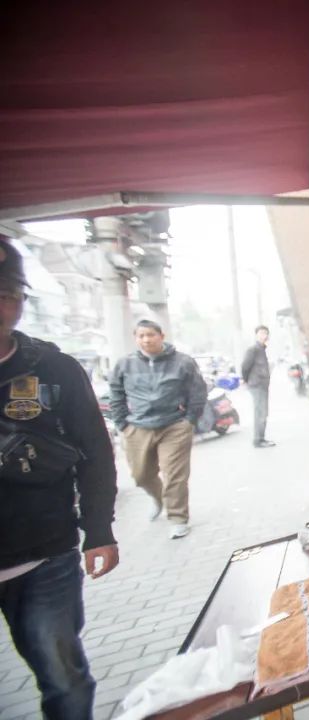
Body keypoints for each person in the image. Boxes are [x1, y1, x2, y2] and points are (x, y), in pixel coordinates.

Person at [0, 237, 119, 719]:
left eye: (6, 291)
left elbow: (95, 453)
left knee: (63, 677)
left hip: (45, 555)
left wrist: (100, 531)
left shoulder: (55, 369)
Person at [110, 319, 206, 539]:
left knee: (175, 475)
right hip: (137, 426)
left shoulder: (182, 362)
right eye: (141, 336)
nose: (146, 340)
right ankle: (158, 497)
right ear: (136, 339)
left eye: (150, 335)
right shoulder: (124, 364)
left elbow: (198, 392)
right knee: (141, 475)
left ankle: (178, 518)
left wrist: (189, 420)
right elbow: (115, 394)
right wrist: (122, 423)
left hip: (174, 425)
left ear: (161, 336)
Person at [241, 324, 275, 448]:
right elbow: (245, 366)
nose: (264, 335)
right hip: (256, 385)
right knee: (260, 412)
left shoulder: (262, 350)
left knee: (263, 412)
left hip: (263, 385)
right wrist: (246, 380)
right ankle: (258, 440)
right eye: (261, 333)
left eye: (266, 333)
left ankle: (261, 438)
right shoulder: (253, 350)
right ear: (256, 335)